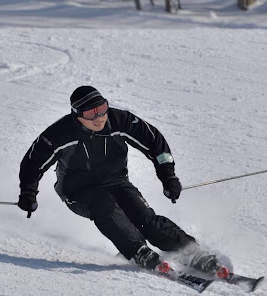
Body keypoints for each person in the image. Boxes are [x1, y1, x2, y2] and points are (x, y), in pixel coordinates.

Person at [17, 85, 221, 275]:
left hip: (116, 182)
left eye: (102, 108)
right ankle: (137, 250)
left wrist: (168, 175)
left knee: (145, 218)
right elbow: (32, 163)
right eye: (90, 113)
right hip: (78, 191)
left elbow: (155, 142)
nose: (99, 118)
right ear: (77, 114)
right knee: (104, 205)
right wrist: (28, 193)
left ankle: (190, 251)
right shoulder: (60, 133)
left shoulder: (120, 121)